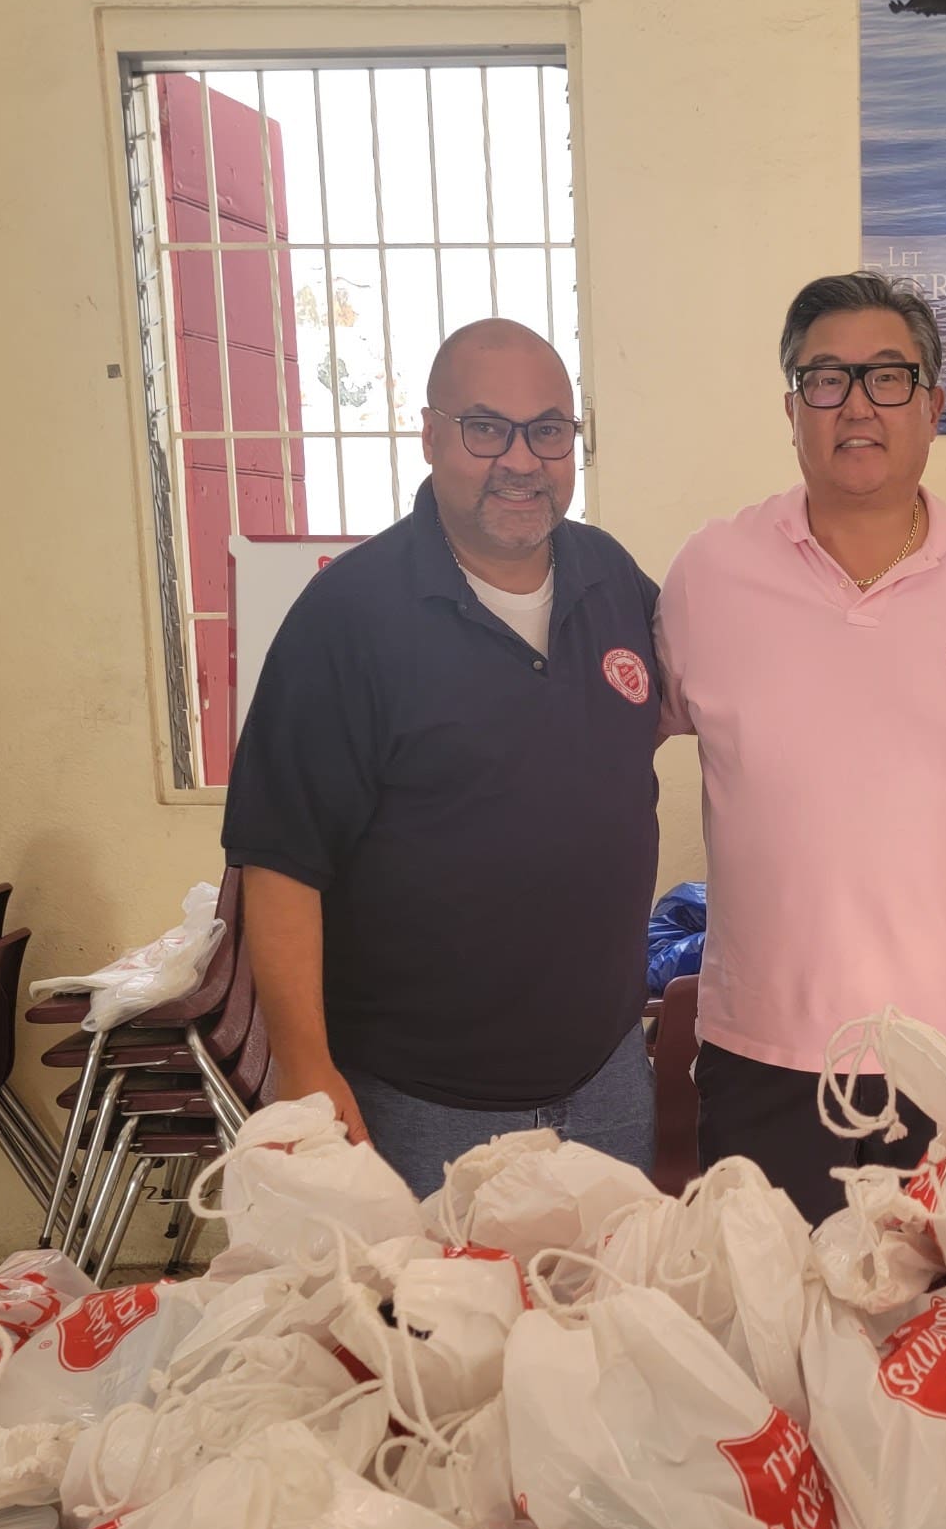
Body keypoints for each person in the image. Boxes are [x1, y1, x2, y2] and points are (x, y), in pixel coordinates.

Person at [656, 272, 946, 1220]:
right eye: (825, 378)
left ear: (933, 407)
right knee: (772, 1341)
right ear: (791, 408)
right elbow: (611, 754)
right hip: (761, 1054)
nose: (856, 404)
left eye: (889, 378)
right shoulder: (708, 574)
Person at [221, 318, 661, 1193]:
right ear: (429, 436)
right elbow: (278, 864)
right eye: (486, 427)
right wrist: (308, 1071)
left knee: (608, 1323)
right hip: (423, 1106)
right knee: (433, 1329)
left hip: (608, 1079)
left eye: (548, 430)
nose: (522, 460)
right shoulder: (348, 619)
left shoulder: (611, 579)